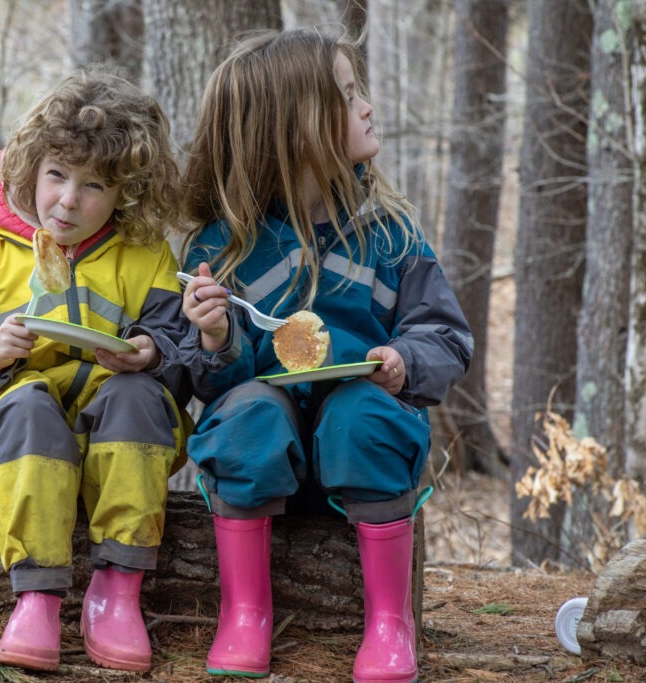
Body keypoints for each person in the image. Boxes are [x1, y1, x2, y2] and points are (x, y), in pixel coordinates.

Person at [179, 29, 473, 682]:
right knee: (248, 411)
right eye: (346, 96)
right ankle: (245, 613)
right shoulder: (224, 249)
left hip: (364, 457)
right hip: (262, 464)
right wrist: (217, 338)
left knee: (361, 411)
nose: (366, 106)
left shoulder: (389, 235)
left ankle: (390, 623)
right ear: (293, 128)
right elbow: (207, 385)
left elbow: (445, 335)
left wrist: (402, 360)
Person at [0, 70, 192, 673]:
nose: (69, 200)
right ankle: (36, 598)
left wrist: (149, 353)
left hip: (120, 427)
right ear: (32, 168)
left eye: (94, 186)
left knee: (137, 396)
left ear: (127, 193)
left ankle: (117, 593)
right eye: (57, 176)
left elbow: (186, 350)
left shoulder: (145, 256)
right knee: (27, 405)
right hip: (17, 428)